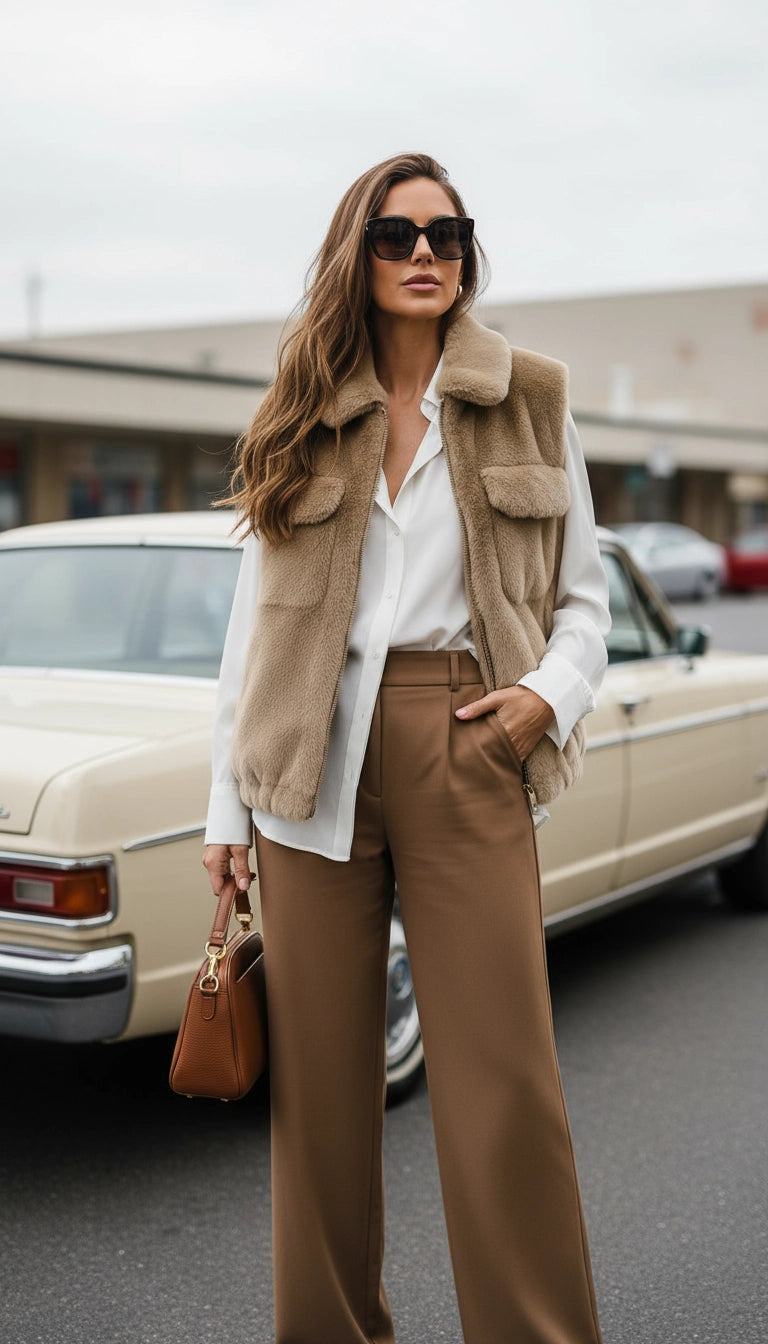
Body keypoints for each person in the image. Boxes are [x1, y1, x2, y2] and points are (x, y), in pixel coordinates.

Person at [203, 151, 610, 1344]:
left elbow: (583, 599)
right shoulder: (301, 406)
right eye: (396, 234)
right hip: (306, 758)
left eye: (445, 233)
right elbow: (250, 635)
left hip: (466, 734)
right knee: (321, 1102)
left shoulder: (530, 395)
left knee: (503, 1089)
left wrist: (547, 696)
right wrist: (228, 817)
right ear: (359, 253)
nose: (425, 253)